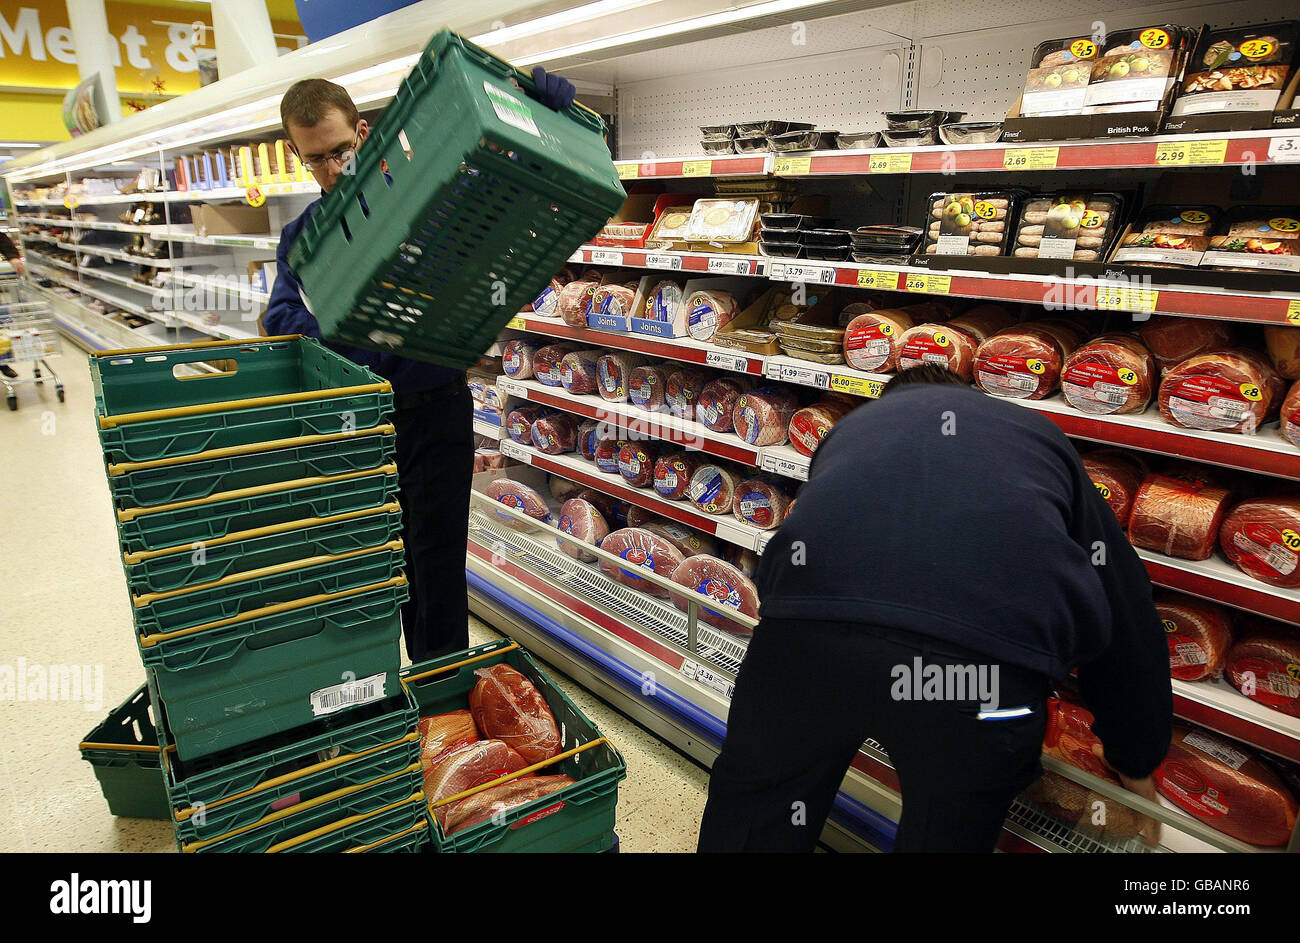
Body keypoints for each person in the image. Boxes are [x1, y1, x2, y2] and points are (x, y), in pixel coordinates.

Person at [696, 364, 1172, 853]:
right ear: (964, 395)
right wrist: (1135, 757)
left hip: (807, 642)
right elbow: (1125, 607)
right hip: (980, 674)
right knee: (951, 832)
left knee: (756, 814)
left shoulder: (852, 430)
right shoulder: (1036, 434)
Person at [263, 69, 576, 661]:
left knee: (435, 574)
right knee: (370, 570)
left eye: (341, 152)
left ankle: (442, 700)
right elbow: (282, 322)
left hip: (434, 418)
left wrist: (542, 121)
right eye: (315, 161)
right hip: (357, 426)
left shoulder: (435, 201)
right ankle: (377, 694)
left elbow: (517, 202)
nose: (333, 171)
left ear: (364, 133)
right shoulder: (304, 239)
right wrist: (370, 342)